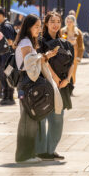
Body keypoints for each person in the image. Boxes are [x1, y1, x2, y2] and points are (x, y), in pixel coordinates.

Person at [13, 14, 59, 163]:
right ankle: (23, 156)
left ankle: (28, 154)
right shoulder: (26, 42)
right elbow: (29, 63)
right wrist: (44, 56)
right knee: (27, 120)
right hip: (27, 84)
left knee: (30, 119)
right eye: (36, 26)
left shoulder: (28, 41)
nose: (39, 29)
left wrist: (45, 56)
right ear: (29, 27)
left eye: (40, 26)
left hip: (27, 83)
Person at [37, 11, 75, 160]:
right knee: (43, 118)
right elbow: (42, 61)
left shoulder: (64, 42)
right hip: (45, 84)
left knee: (58, 119)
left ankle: (51, 150)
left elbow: (72, 62)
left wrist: (67, 79)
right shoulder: (40, 41)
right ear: (46, 23)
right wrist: (55, 77)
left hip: (62, 86)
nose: (55, 24)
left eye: (58, 21)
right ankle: (41, 150)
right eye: (52, 21)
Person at [0, 7, 17, 105]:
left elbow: (10, 41)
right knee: (6, 76)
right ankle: (7, 97)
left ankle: (8, 98)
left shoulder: (5, 26)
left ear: (0, 15)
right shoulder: (8, 25)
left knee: (6, 76)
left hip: (7, 56)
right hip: (8, 55)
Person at [61, 15, 84, 86]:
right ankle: (65, 87)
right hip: (65, 55)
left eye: (70, 21)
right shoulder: (62, 31)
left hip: (74, 55)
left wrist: (79, 57)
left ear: (74, 22)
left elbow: (81, 46)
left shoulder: (78, 32)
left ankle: (72, 86)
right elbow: (60, 42)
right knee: (64, 71)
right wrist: (68, 40)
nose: (69, 23)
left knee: (73, 72)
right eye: (67, 21)